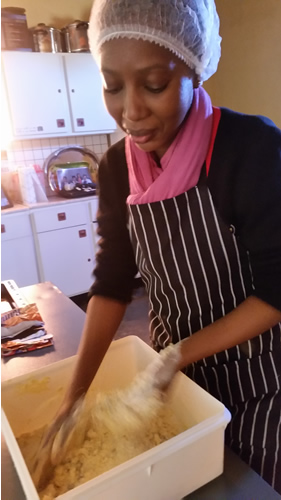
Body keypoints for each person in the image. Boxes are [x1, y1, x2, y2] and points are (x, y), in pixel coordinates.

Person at [43, 0, 281, 492]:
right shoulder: (114, 170)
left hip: (262, 383)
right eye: (112, 85)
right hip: (172, 385)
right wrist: (75, 399)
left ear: (194, 68)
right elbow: (111, 285)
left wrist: (176, 355)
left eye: (154, 85)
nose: (130, 111)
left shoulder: (250, 149)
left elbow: (277, 293)